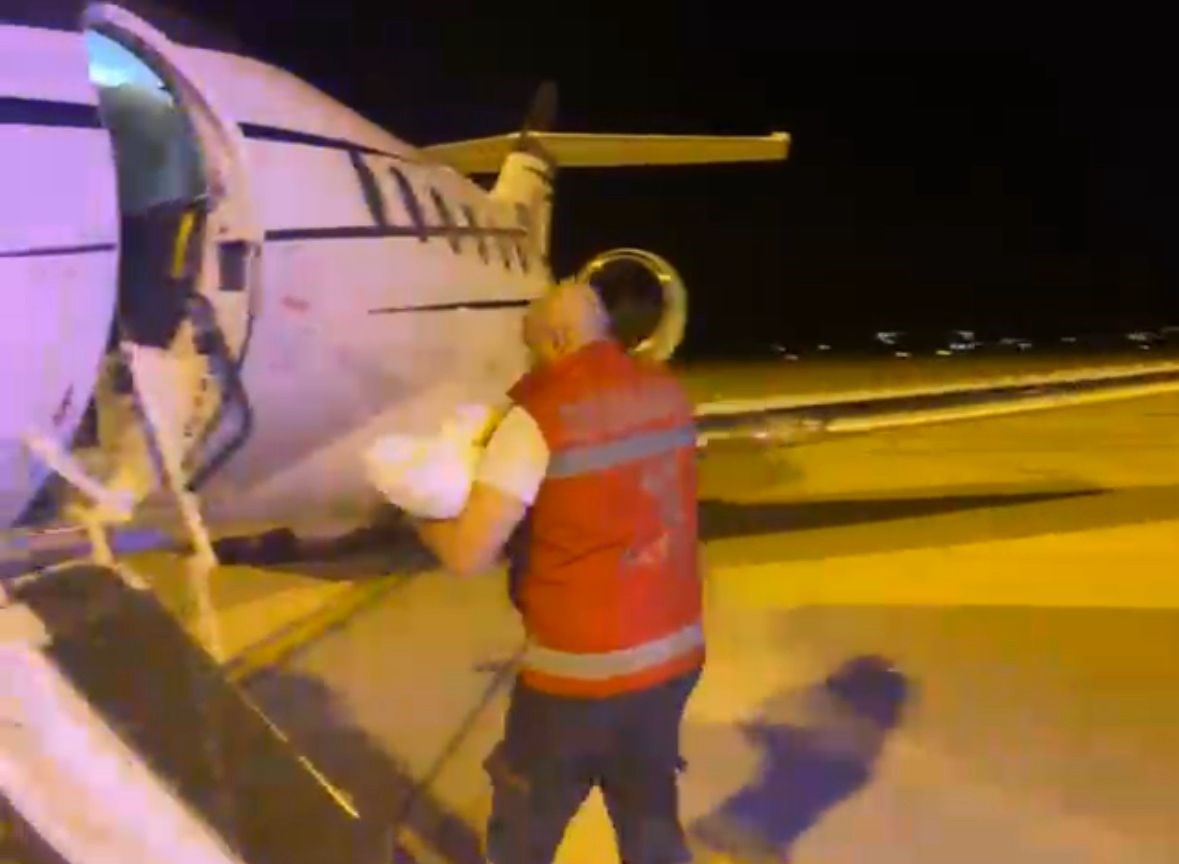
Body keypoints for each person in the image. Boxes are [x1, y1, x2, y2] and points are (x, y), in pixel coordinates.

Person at [408, 278, 704, 864]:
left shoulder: (539, 419)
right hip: (673, 656)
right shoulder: (668, 391)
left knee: (527, 819)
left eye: (535, 348)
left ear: (560, 339)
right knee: (647, 809)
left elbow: (467, 553)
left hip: (579, 673)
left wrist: (418, 511)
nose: (532, 363)